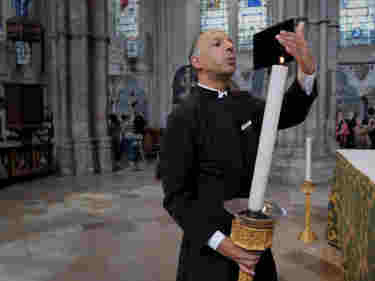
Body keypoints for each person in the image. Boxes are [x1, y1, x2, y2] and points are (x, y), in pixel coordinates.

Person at [160, 22, 318, 281]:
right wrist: (223, 244)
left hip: (255, 240)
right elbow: (177, 198)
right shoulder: (183, 116)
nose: (230, 46)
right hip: (209, 253)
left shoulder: (244, 103)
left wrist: (306, 69)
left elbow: (289, 111)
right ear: (196, 61)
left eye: (231, 42)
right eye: (218, 43)